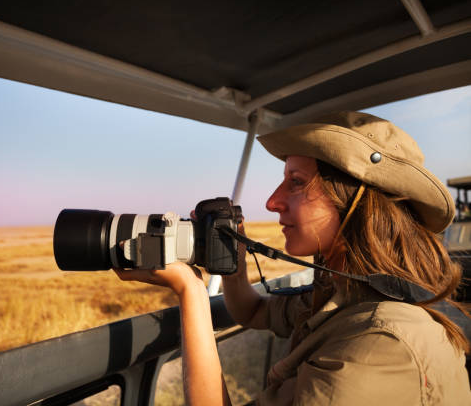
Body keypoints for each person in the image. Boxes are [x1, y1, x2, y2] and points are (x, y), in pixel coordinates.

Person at [115, 111, 471, 405]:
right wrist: (232, 264)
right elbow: (254, 311)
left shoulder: (380, 348)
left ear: (358, 206)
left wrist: (191, 292)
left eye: (296, 182)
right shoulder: (344, 287)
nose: (272, 201)